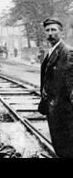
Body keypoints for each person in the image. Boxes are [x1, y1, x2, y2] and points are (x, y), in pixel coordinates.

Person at [39, 18, 73, 158]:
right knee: (59, 146)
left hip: (64, 112)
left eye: (54, 30)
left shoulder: (67, 53)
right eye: (47, 30)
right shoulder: (51, 51)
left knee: (66, 148)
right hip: (53, 109)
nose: (50, 33)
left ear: (61, 32)